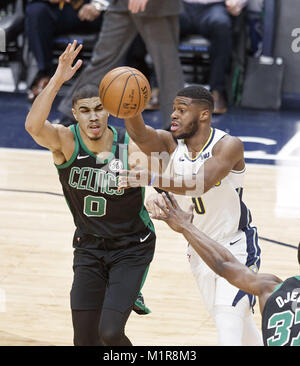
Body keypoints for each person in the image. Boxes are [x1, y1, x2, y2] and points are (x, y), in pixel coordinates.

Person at [25, 41, 156, 346]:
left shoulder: (129, 146)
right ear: (75, 114)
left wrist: (146, 177)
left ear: (109, 110)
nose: (93, 117)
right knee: (84, 340)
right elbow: (33, 126)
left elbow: (157, 173)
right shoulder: (66, 142)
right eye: (84, 111)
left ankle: (128, 287)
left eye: (99, 108)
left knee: (109, 333)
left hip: (132, 247)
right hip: (89, 248)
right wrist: (58, 77)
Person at [118, 84, 263, 345]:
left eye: (182, 110)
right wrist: (130, 107)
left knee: (227, 321)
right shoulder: (170, 146)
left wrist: (150, 177)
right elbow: (139, 133)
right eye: (173, 109)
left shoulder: (228, 146)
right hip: (199, 249)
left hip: (236, 245)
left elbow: (200, 182)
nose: (174, 114)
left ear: (204, 115)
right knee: (239, 326)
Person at [152, 192, 300, 346]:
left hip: (227, 246)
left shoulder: (270, 288)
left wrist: (186, 226)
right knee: (230, 321)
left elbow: (223, 265)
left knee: (229, 324)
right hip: (220, 242)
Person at [56, 0, 184, 129]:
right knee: (102, 60)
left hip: (156, 6)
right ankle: (74, 114)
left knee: (167, 65)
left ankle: (179, 125)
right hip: (120, 4)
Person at [25, 0, 105, 102]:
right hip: (59, 9)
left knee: (116, 14)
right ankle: (44, 74)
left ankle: (107, 81)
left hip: (91, 8)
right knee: (36, 11)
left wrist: (97, 5)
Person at [179, 0, 248, 114]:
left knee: (221, 24)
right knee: (162, 21)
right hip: (181, 5)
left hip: (215, 7)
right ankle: (159, 89)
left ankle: (217, 92)